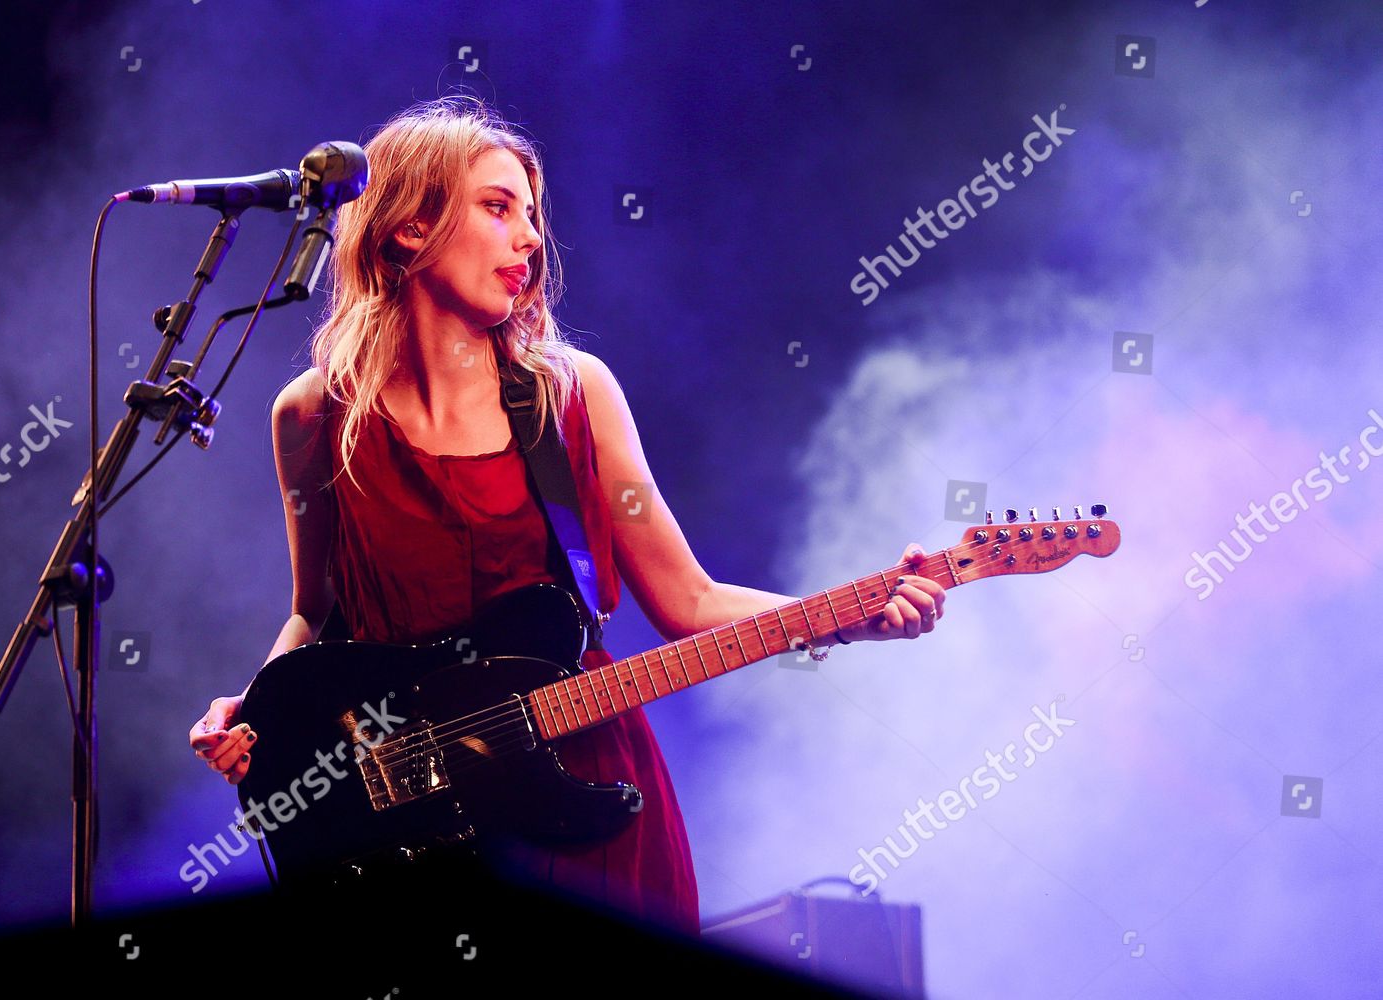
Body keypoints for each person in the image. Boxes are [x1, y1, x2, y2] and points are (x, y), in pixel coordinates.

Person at [188, 95, 947, 935]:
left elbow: (689, 603)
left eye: (533, 215)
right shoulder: (313, 417)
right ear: (408, 227)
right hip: (409, 813)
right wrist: (252, 711)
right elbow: (314, 612)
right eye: (498, 206)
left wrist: (851, 617)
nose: (531, 237)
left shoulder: (572, 396)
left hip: (578, 789)